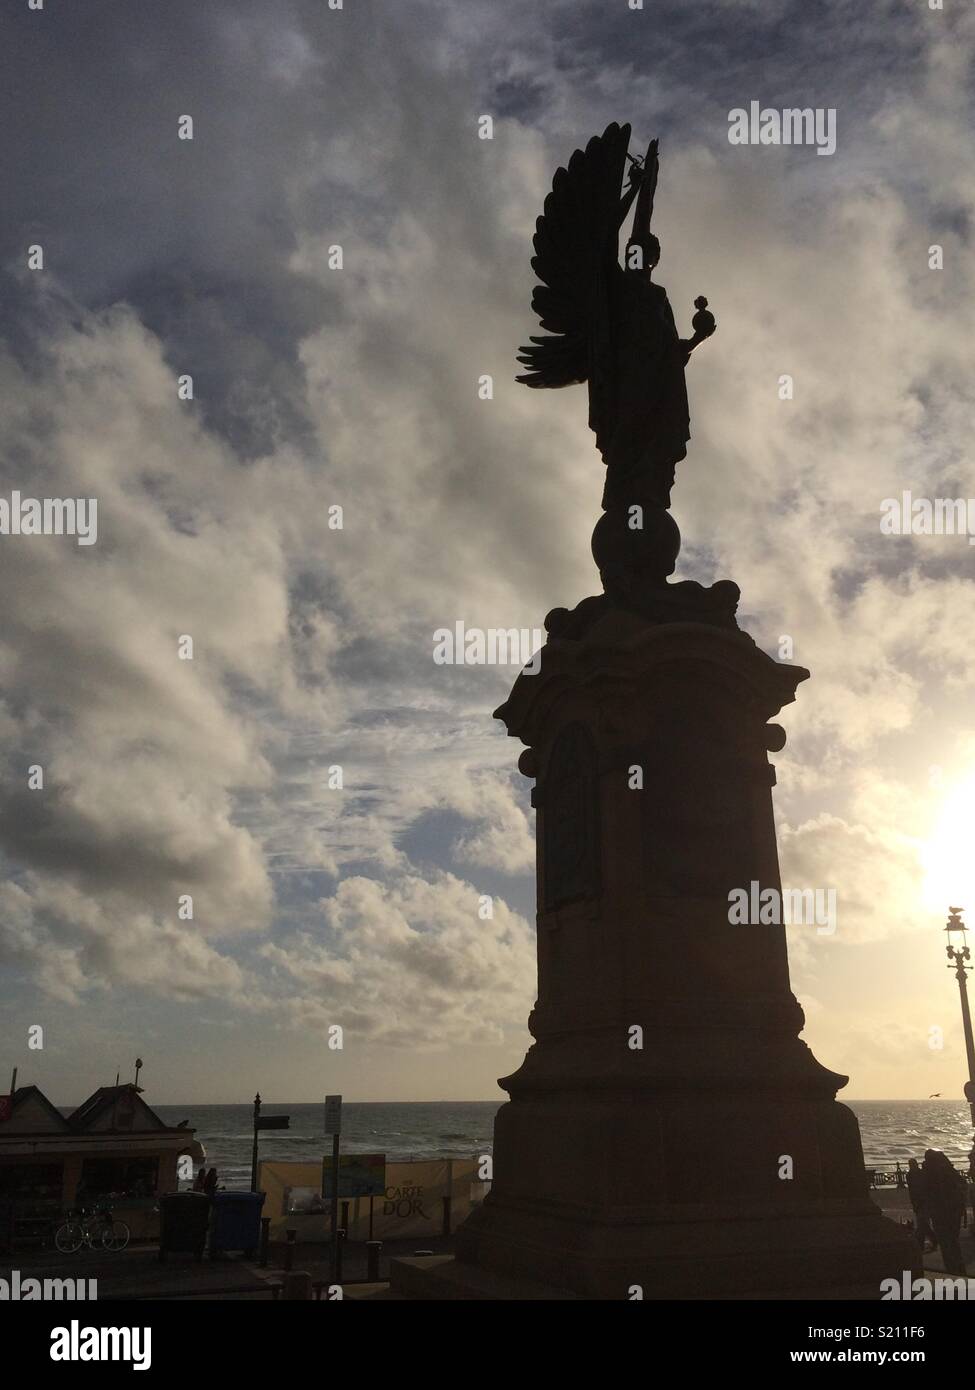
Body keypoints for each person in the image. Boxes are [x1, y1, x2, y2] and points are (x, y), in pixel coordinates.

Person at [921, 1149, 968, 1276]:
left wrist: (926, 1212)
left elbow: (925, 1194)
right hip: (954, 1211)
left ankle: (952, 1269)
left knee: (945, 1242)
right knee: (953, 1240)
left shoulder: (928, 1172)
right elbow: (963, 1184)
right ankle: (959, 1267)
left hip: (939, 1213)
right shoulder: (948, 1170)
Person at [906, 1158, 935, 1251]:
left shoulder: (911, 1175)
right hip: (921, 1202)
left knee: (922, 1224)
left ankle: (924, 1243)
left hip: (921, 1202)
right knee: (923, 1223)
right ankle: (931, 1240)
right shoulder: (918, 1174)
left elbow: (913, 1190)